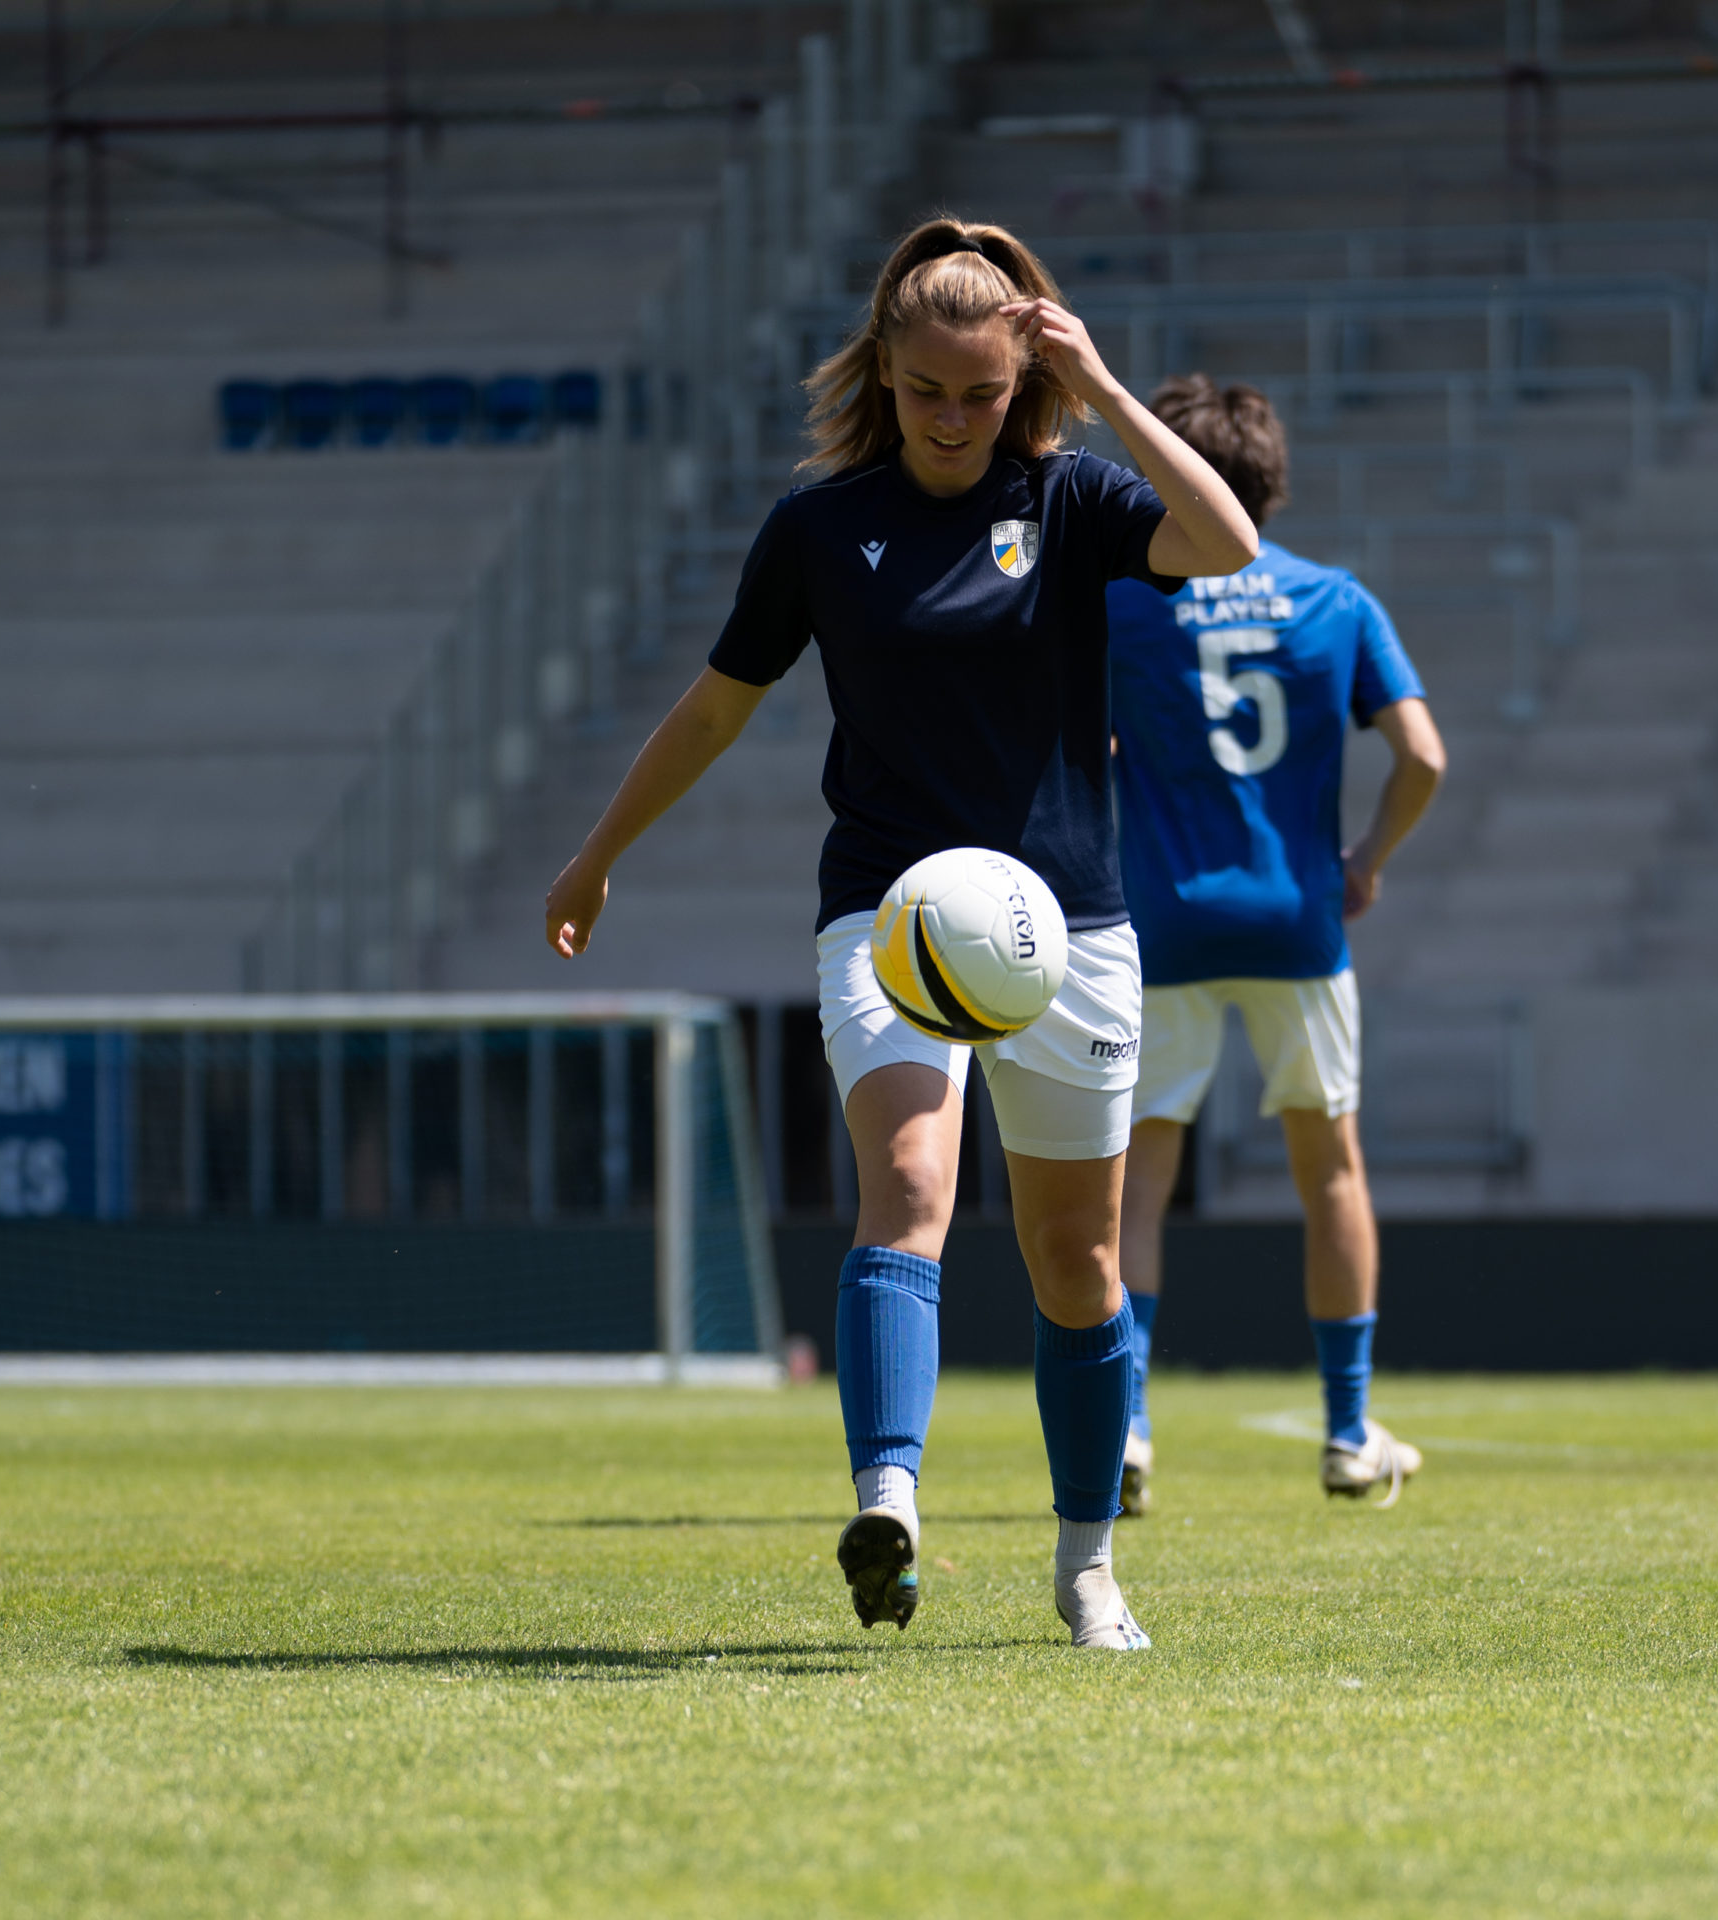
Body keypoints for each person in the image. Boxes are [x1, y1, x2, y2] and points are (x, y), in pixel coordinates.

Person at [542, 220, 1259, 1649]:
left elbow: (1227, 542)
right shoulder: (818, 528)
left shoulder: (1072, 500)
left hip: (1068, 927)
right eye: (926, 388)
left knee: (1079, 1262)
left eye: (981, 393)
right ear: (882, 367)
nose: (950, 416)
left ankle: (1086, 1568)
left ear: (1021, 381)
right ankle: (889, 1504)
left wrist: (1101, 387)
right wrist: (596, 854)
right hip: (890, 917)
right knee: (912, 1186)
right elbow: (713, 710)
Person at [1105, 375, 1446, 1513]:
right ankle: (1347, 1433)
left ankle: (1127, 1430)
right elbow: (1424, 756)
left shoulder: (1125, 602)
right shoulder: (1333, 600)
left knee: (1137, 1186)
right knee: (1330, 1171)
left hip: (1159, 920)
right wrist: (1368, 860)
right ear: (1270, 478)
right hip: (1297, 918)